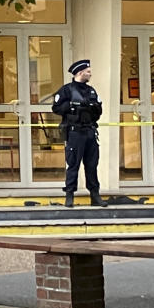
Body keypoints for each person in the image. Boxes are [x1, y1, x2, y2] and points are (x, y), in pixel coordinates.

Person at [52, 59, 107, 208]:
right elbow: (56, 108)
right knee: (73, 164)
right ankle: (69, 196)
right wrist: (72, 107)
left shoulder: (91, 91)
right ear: (80, 72)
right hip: (75, 133)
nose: (90, 74)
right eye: (88, 71)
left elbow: (99, 110)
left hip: (89, 131)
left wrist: (91, 107)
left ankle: (95, 195)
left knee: (92, 165)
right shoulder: (67, 90)